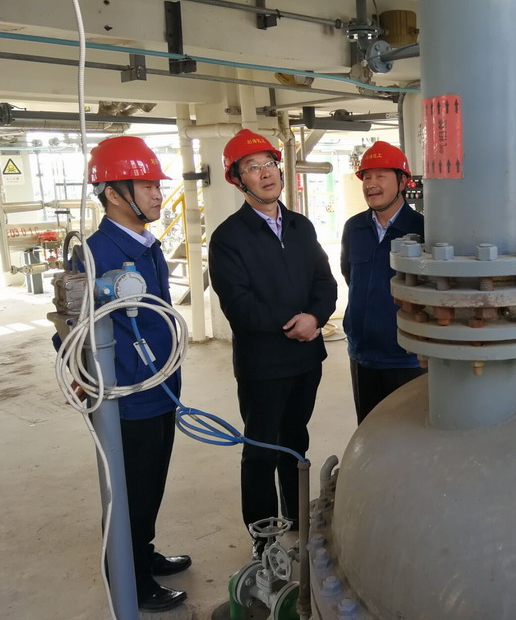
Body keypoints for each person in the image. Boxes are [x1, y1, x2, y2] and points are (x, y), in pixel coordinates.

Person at [208, 129, 337, 559]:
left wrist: (315, 317)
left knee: (295, 442)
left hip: (306, 358)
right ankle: (263, 538)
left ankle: (297, 518)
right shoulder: (229, 237)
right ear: (237, 180)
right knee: (262, 449)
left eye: (269, 164)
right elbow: (239, 305)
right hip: (263, 365)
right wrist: (293, 323)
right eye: (252, 167)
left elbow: (325, 282)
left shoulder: (301, 226)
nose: (265, 174)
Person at [75, 136, 190, 612]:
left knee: (152, 483)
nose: (158, 195)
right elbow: (70, 327)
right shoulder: (94, 253)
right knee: (131, 491)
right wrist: (81, 372)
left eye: (157, 186)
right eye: (146, 186)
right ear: (113, 193)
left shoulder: (148, 245)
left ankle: (142, 554)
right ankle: (131, 579)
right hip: (125, 397)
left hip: (161, 387)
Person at [341, 140, 425, 424]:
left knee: (408, 433)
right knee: (367, 430)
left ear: (402, 182)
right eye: (366, 177)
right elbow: (349, 275)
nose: (371, 184)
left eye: (380, 176)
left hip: (407, 357)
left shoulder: (423, 230)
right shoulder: (354, 228)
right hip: (362, 354)